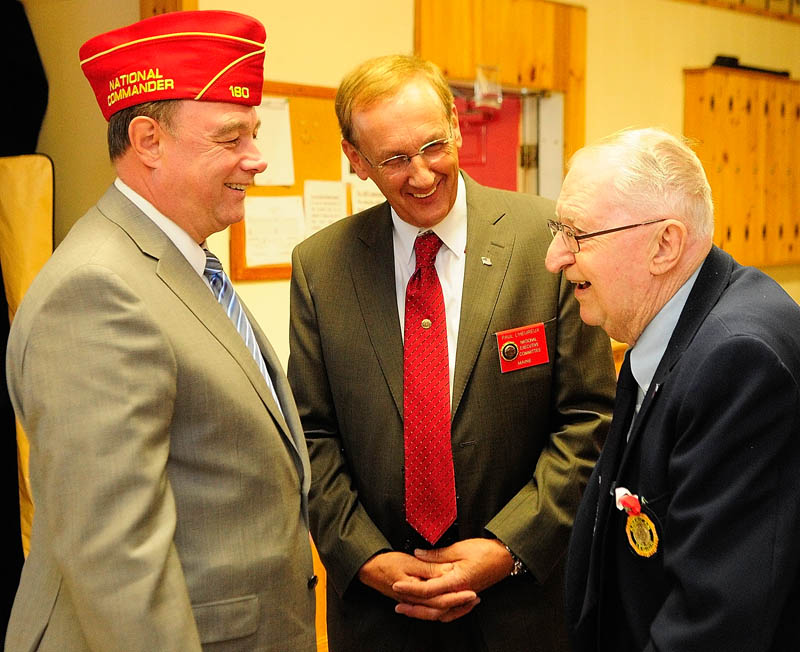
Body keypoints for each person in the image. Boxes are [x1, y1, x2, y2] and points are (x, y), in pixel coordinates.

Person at [5, 11, 317, 651]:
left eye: (254, 134)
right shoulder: (97, 291)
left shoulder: (180, 263)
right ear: (148, 141)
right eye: (232, 138)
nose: (257, 159)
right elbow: (116, 558)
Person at [287, 54, 616, 652]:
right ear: (355, 160)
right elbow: (311, 436)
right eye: (393, 158)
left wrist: (508, 546)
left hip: (523, 608)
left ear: (457, 128)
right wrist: (364, 557)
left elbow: (590, 418)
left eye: (434, 146)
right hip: (379, 616)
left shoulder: (547, 242)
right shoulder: (320, 268)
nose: (421, 175)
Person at [549, 127, 800, 652]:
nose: (555, 257)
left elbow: (716, 620)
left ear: (665, 244)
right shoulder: (663, 325)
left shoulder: (738, 361)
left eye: (577, 235)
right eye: (558, 230)